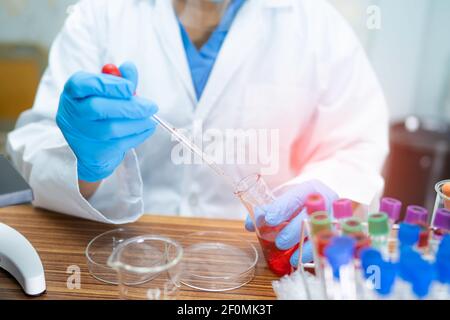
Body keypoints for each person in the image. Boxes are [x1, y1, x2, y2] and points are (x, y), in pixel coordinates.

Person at [7, 0, 389, 268]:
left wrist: (325, 187)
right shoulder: (100, 15)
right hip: (116, 257)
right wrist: (82, 163)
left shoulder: (317, 24)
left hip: (254, 263)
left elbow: (357, 144)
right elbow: (33, 148)